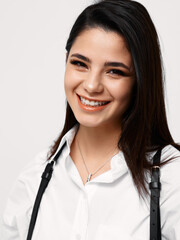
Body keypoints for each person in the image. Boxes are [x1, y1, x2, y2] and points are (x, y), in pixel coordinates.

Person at [2, 0, 180, 239]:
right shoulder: (35, 177)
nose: (92, 85)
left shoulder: (171, 179)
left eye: (114, 71)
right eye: (80, 64)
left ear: (140, 79)